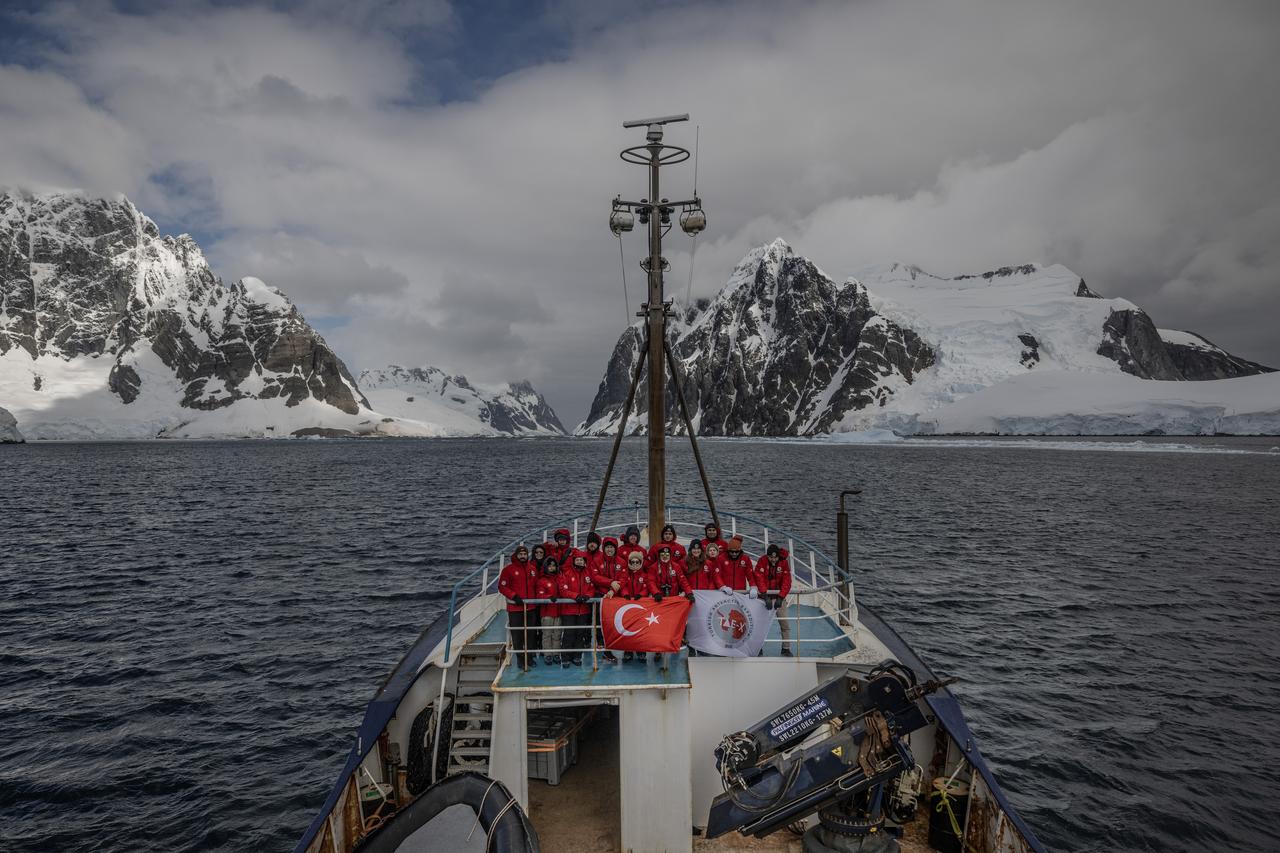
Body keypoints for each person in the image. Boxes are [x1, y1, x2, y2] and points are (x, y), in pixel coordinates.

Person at [497, 544, 540, 667]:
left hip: (531, 608)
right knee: (517, 635)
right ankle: (521, 659)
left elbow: (537, 585)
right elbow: (502, 586)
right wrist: (514, 596)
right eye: (520, 554)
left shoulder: (532, 569)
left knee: (531, 634)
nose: (523, 556)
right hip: (515, 609)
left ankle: (530, 657)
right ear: (516, 555)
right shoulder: (508, 570)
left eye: (525, 554)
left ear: (527, 555)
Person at [614, 550, 657, 662]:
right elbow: (622, 585)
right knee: (628, 629)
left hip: (640, 606)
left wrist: (640, 595)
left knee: (640, 630)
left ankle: (641, 651)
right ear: (629, 562)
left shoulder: (644, 575)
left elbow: (647, 587)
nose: (635, 564)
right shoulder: (625, 574)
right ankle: (628, 651)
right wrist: (626, 594)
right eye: (632, 562)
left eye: (637, 562)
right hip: (628, 606)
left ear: (641, 562)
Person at [754, 544, 794, 656]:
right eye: (770, 557)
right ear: (767, 556)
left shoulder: (784, 563)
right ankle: (758, 648)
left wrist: (781, 597)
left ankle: (786, 648)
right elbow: (758, 577)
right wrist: (764, 595)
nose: (773, 559)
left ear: (778, 557)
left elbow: (787, 581)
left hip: (778, 598)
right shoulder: (762, 561)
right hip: (764, 599)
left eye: (775, 557)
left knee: (784, 624)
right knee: (760, 624)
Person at [591, 537, 625, 663]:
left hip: (615, 599)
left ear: (615, 548)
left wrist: (613, 590)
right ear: (604, 548)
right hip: (601, 597)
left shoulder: (621, 562)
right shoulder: (596, 561)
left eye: (612, 547)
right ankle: (604, 649)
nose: (609, 549)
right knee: (601, 624)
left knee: (612, 625)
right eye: (607, 547)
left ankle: (611, 648)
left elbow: (623, 578)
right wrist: (611, 582)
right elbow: (595, 577)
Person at [557, 553, 593, 667]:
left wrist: (588, 595)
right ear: (573, 561)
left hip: (583, 610)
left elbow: (592, 588)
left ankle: (577, 656)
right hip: (569, 610)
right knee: (569, 634)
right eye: (577, 559)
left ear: (584, 561)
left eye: (581, 560)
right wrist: (576, 596)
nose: (579, 562)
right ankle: (566, 657)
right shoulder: (566, 574)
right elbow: (563, 590)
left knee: (580, 634)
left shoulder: (588, 574)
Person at [535, 557, 563, 665]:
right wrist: (549, 597)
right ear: (546, 567)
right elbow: (539, 595)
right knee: (547, 634)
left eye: (554, 566)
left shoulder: (559, 579)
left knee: (557, 634)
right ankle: (547, 655)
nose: (552, 568)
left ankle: (556, 653)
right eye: (550, 566)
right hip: (547, 612)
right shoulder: (542, 581)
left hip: (558, 612)